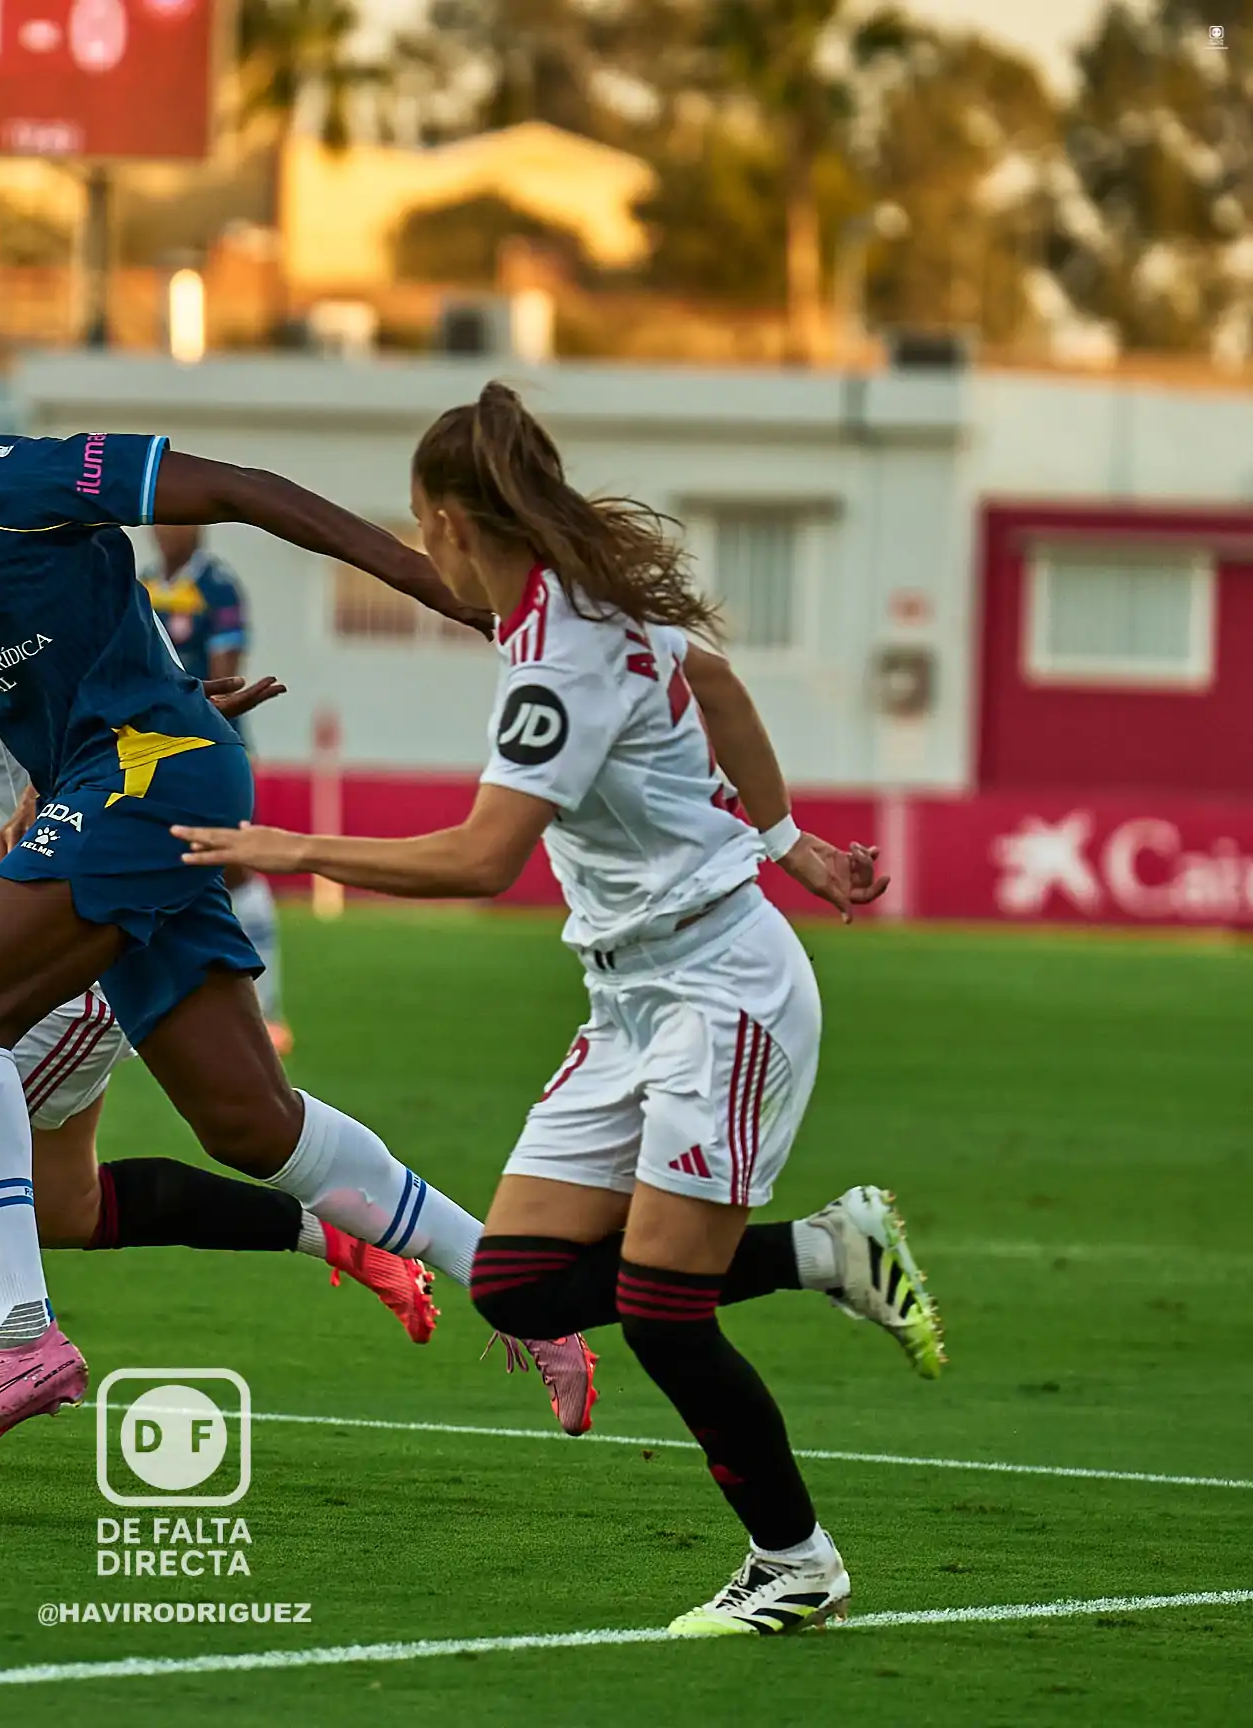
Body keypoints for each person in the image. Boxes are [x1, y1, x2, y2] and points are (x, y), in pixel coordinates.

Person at [0, 298, 593, 1475]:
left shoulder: (10, 477)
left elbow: (239, 488)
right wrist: (175, 697)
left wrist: (431, 586)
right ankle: (515, 1292)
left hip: (140, 775)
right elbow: (74, 644)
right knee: (250, 1125)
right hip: (146, 773)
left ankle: (23, 1339)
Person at [175, 382, 945, 1637]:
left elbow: (484, 860)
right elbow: (722, 685)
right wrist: (789, 837)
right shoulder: (577, 605)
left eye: (422, 533)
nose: (424, 556)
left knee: (658, 1308)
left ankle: (797, 1561)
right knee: (524, 1287)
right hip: (631, 998)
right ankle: (826, 1252)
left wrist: (297, 846)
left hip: (722, 994)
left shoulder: (558, 658)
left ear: (452, 522)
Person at [0, 531, 448, 1483]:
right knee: (62, 1202)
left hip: (58, 948)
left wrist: (140, 733)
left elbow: (82, 666)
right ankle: (334, 1230)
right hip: (18, 935)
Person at [146, 527, 291, 1054]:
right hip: (148, 751)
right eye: (159, 520)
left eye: (177, 520)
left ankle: (269, 1011)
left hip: (211, 744)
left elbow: (228, 677)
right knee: (157, 867)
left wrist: (194, 721)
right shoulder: (141, 585)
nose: (166, 531)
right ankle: (165, 1010)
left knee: (233, 868)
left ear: (197, 527)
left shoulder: (218, 586)